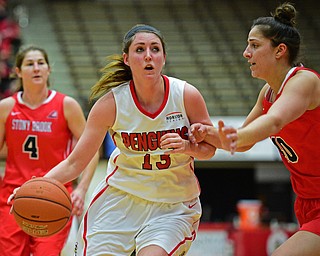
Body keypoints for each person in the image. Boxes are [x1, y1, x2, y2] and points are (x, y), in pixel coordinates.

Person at [8, 24, 216, 256]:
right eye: (140, 49)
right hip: (120, 200)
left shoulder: (186, 95)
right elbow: (75, 162)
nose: (148, 55)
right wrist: (34, 188)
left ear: (163, 58)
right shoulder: (110, 104)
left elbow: (209, 149)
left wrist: (188, 146)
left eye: (155, 49)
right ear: (126, 59)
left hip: (172, 205)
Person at [190, 2, 320, 256]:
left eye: (254, 45)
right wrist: (204, 134)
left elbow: (274, 122)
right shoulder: (268, 92)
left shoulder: (304, 81)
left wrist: (234, 136)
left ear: (280, 50)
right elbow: (244, 142)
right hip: (306, 201)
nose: (246, 53)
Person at [0, 45, 99, 256]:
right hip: (12, 195)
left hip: (53, 195)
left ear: (48, 69)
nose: (36, 68)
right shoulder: (6, 107)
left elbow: (91, 150)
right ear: (18, 71)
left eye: (41, 63)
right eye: (29, 64)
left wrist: (81, 189)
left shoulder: (66, 105)